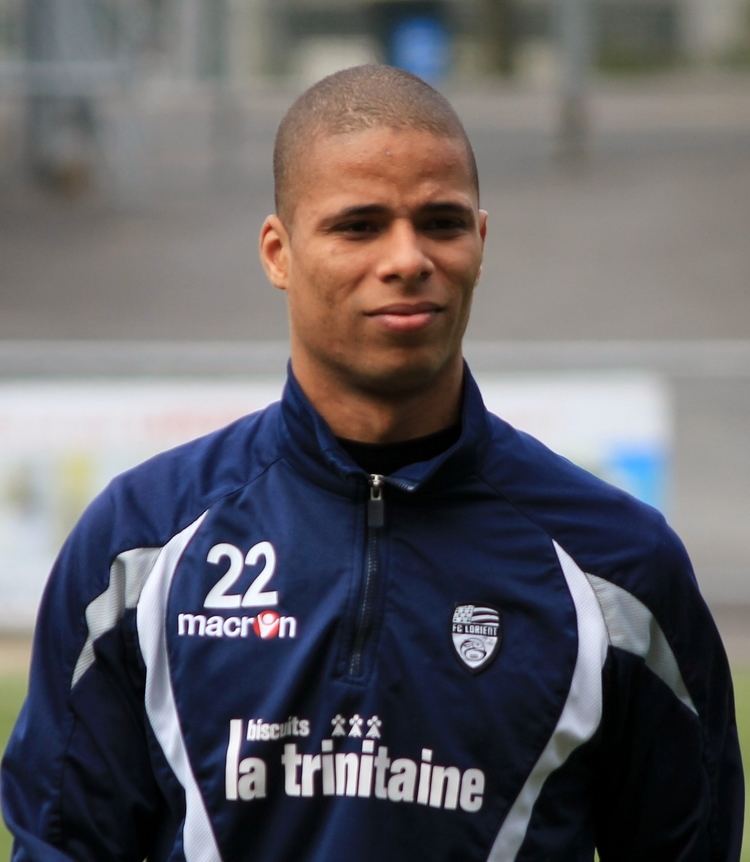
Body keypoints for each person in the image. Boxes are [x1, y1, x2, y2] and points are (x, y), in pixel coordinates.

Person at [1, 64, 743, 861]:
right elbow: (60, 843)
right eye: (358, 226)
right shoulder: (138, 548)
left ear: (481, 244)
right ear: (278, 253)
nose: (407, 258)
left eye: (442, 223)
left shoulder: (619, 567)